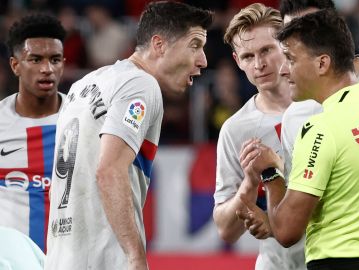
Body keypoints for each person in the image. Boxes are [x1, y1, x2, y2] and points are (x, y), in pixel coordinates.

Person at [240, 10, 359, 269]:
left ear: (322, 63)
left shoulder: (321, 129)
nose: (283, 70)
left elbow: (287, 231)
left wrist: (269, 173)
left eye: (290, 59)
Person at [45, 2, 213, 269]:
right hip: (104, 259)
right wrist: (135, 256)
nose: (203, 60)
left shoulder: (83, 84)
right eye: (194, 45)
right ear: (159, 45)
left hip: (60, 257)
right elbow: (110, 170)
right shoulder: (141, 84)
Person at [212, 3, 302, 270]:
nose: (259, 64)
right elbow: (226, 231)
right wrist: (249, 183)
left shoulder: (325, 105)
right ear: (237, 61)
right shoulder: (235, 129)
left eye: (266, 50)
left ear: (285, 45)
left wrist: (273, 224)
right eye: (248, 56)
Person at [0, 13, 66, 252]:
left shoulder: (84, 120)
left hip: (71, 259)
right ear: (15, 65)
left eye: (55, 60)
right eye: (35, 59)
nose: (47, 69)